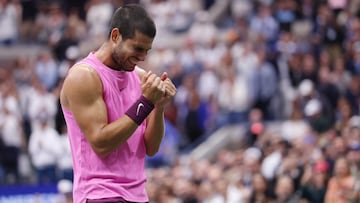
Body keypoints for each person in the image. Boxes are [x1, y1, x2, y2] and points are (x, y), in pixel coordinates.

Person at [60, 4, 176, 203]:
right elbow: (101, 143)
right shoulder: (84, 77)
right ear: (115, 36)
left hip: (138, 195)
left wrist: (159, 107)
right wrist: (146, 102)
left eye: (147, 50)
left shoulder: (140, 79)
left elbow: (151, 148)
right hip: (100, 194)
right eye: (138, 48)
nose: (142, 58)